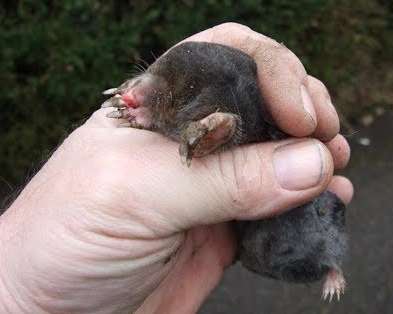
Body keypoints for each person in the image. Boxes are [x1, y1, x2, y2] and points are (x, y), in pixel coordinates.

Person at [0, 23, 353, 313]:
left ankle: (330, 269)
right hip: (246, 240)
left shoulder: (220, 123)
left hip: (285, 232)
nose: (137, 94)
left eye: (166, 95)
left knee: (317, 231)